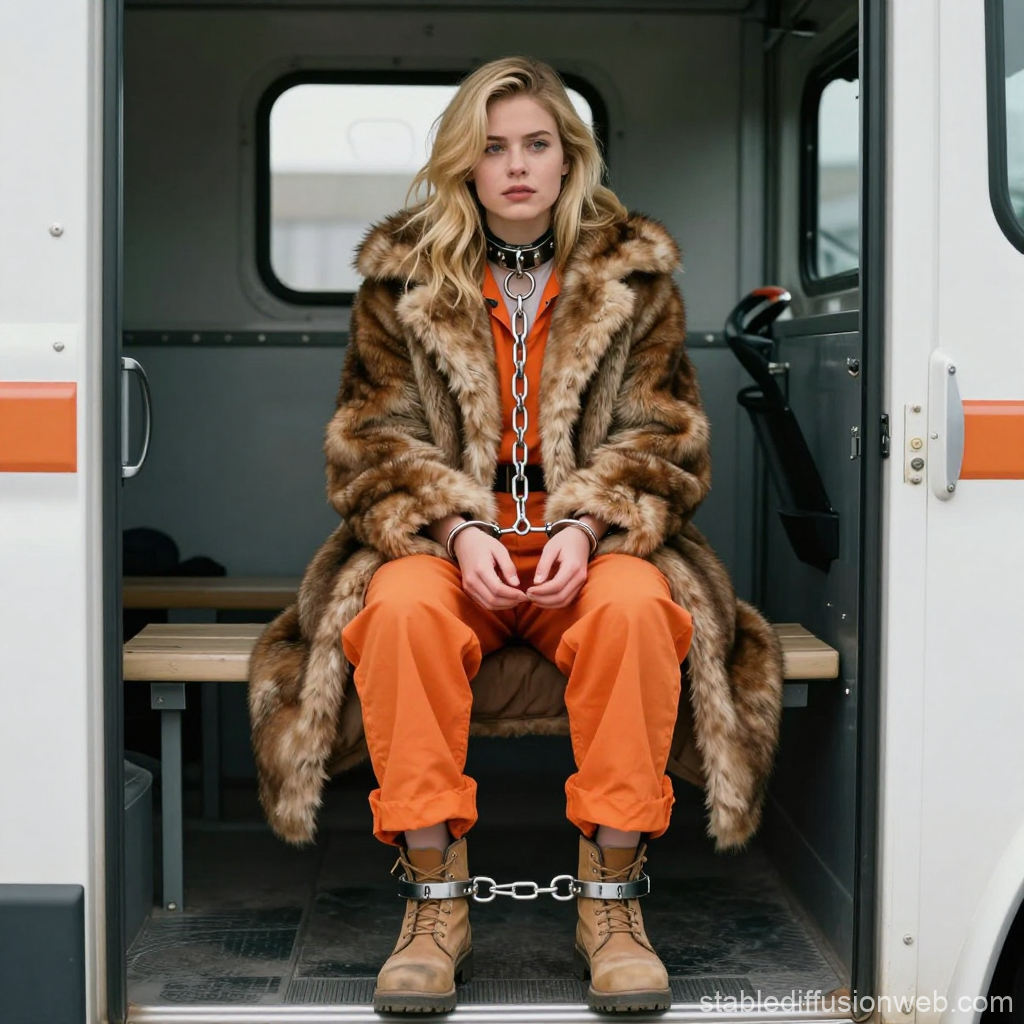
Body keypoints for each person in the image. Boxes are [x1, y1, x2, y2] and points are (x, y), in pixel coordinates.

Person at [248, 56, 784, 1016]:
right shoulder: (402, 281)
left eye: (538, 144)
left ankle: (612, 902)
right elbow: (369, 442)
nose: (518, 166)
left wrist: (585, 524)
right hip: (449, 549)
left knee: (636, 610)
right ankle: (434, 901)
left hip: (597, 547)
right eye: (494, 148)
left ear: (570, 158)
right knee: (400, 609)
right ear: (465, 163)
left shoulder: (635, 277)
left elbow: (665, 437)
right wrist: (455, 531)